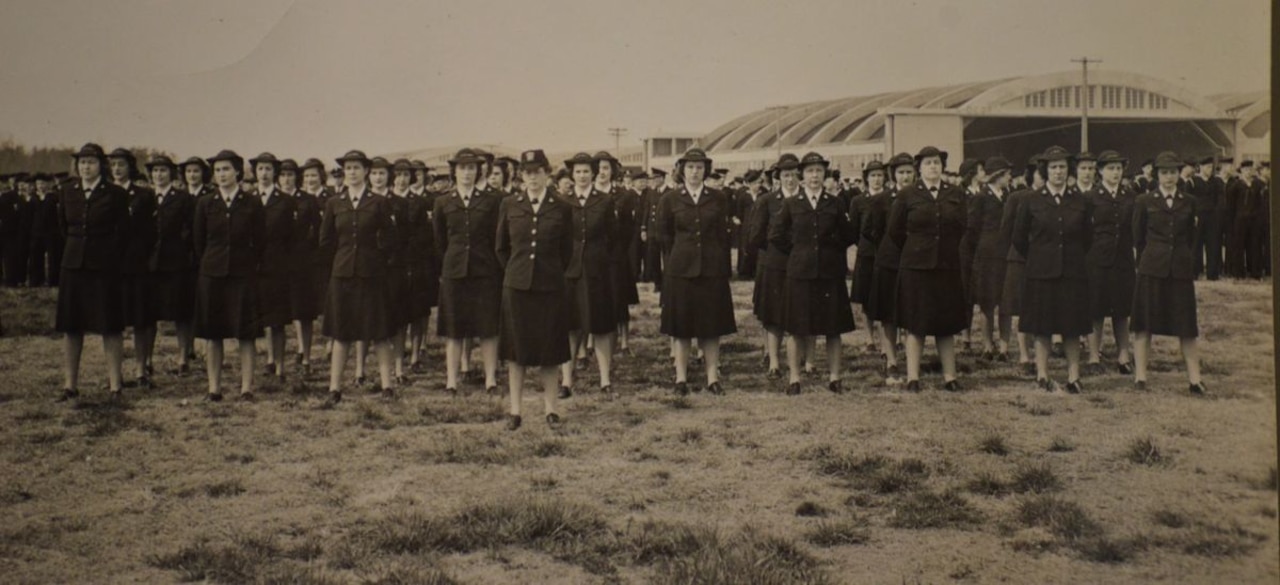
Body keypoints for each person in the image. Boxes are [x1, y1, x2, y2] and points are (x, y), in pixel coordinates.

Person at [496, 149, 573, 430]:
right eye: (527, 172)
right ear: (521, 175)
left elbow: (566, 251)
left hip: (549, 287)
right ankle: (515, 410)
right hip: (516, 288)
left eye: (537, 172)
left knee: (549, 350)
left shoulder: (562, 207)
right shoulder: (509, 205)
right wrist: (519, 273)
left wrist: (546, 274)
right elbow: (501, 248)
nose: (532, 177)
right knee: (516, 351)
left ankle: (551, 409)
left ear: (547, 173)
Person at [769, 152, 858, 395]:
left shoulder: (835, 203)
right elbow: (776, 235)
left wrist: (830, 249)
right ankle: (794, 379)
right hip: (800, 273)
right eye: (809, 171)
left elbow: (849, 234)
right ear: (802, 175)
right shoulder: (791, 204)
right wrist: (799, 251)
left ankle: (835, 377)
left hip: (829, 273)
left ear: (824, 174)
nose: (814, 176)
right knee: (796, 327)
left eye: (819, 171)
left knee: (832, 328)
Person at [320, 150, 398, 405]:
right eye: (347, 168)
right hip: (342, 275)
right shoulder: (334, 202)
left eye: (356, 167)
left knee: (379, 332)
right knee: (341, 333)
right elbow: (326, 241)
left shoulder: (378, 202)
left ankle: (387, 386)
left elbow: (389, 240)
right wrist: (340, 264)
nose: (351, 172)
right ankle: (334, 388)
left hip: (371, 275)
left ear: (366, 171)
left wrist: (376, 262)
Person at [656, 148, 736, 395]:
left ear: (706, 170)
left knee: (711, 326)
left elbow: (722, 236)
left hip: (711, 270)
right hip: (680, 271)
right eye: (690, 167)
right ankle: (681, 378)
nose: (694, 172)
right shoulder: (669, 199)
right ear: (682, 170)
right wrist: (677, 261)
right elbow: (664, 236)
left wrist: (719, 264)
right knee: (681, 328)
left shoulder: (718, 198)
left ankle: (712, 378)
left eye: (700, 167)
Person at [1012, 146, 1092, 393]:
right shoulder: (1031, 200)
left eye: (1062, 167)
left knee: (1072, 327)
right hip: (1041, 273)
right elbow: (1019, 239)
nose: (1058, 172)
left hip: (1072, 273)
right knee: (1042, 327)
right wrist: (1041, 257)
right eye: (1054, 167)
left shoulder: (1079, 201)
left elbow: (1087, 238)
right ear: (1045, 171)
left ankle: (1073, 376)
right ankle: (1042, 374)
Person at [888, 147, 968, 392]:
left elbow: (962, 226)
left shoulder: (955, 194)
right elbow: (896, 231)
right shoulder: (907, 195)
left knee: (946, 324)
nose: (933, 167)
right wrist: (919, 249)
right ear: (919, 168)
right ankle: (913, 377)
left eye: (937, 163)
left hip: (946, 266)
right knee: (916, 323)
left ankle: (949, 376)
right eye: (928, 163)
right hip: (917, 267)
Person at [55, 144, 130, 402]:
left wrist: (108, 257)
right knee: (71, 325)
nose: (86, 167)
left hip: (104, 267)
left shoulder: (116, 194)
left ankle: (115, 385)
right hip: (73, 265)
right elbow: (64, 228)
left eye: (91, 162)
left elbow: (124, 232)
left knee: (110, 325)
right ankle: (70, 384)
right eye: (82, 162)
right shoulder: (67, 192)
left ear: (101, 165)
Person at [193, 150, 266, 401]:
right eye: (217, 170)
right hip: (212, 276)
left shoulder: (251, 202)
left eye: (226, 169)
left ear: (237, 171)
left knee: (246, 333)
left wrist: (245, 265)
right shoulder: (205, 203)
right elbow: (199, 242)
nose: (221, 174)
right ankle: (214, 388)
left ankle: (247, 388)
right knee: (213, 334)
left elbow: (260, 241)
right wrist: (212, 264)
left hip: (243, 275)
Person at [1131, 151, 1206, 394]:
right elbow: (1138, 237)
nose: (1169, 177)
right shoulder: (1144, 201)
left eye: (1173, 172)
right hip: (1152, 268)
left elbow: (1194, 237)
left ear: (1179, 174)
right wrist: (1153, 257)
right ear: (1156, 175)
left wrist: (1185, 260)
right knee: (1143, 324)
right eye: (1164, 172)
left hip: (1180, 271)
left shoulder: (1190, 201)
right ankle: (1140, 377)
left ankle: (1195, 380)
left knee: (1186, 326)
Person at [434, 148, 504, 395]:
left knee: (488, 328)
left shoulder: (491, 201)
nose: (467, 173)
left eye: (472, 168)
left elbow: (497, 237)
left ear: (478, 171)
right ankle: (451, 380)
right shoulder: (443, 202)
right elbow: (440, 241)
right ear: (454, 171)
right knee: (454, 329)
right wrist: (450, 264)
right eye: (462, 168)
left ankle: (490, 380)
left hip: (485, 271)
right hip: (454, 272)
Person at [557, 152, 618, 398]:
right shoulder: (562, 201)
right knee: (570, 327)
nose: (582, 176)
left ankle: (605, 380)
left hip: (597, 271)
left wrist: (601, 262)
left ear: (594, 173)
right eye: (578, 172)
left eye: (586, 171)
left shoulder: (604, 201)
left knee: (601, 326)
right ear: (572, 175)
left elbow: (613, 238)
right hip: (570, 272)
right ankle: (566, 381)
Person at [107, 148, 161, 389]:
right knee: (113, 320)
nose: (116, 169)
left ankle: (141, 369)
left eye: (121, 164)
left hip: (137, 263)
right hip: (111, 265)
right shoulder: (104, 194)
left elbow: (151, 231)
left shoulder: (144, 195)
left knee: (141, 318)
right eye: (113, 165)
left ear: (130, 167)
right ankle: (115, 374)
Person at [1084, 151, 1137, 374]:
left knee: (1121, 309)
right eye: (1110, 168)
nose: (1115, 173)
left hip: (1123, 259)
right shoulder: (1091, 197)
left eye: (1118, 168)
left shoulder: (1130, 195)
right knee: (1096, 308)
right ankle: (1094, 356)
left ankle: (1123, 355)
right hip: (1097, 259)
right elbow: (1084, 229)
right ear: (1101, 171)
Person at [145, 155, 198, 376]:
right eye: (155, 171)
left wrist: (180, 247)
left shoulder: (183, 198)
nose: (159, 175)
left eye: (163, 171)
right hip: (149, 263)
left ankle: (183, 357)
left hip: (176, 262)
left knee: (181, 312)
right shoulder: (145, 197)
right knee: (148, 313)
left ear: (171, 174)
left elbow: (191, 228)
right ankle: (146, 359)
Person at [749, 154, 800, 379]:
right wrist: (776, 251)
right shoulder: (767, 201)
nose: (790, 180)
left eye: (794, 175)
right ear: (778, 177)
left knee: (800, 314)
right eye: (786, 175)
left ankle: (803, 362)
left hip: (800, 264)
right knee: (773, 315)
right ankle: (774, 362)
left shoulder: (805, 200)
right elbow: (756, 236)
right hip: (775, 263)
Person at [866, 152, 915, 384]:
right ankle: (892, 360)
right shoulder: (881, 200)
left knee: (910, 312)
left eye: (909, 172)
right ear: (893, 175)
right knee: (888, 314)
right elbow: (871, 231)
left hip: (914, 262)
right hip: (889, 261)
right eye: (901, 172)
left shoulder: (919, 197)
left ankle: (912, 360)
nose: (905, 176)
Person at [248, 153, 296, 383]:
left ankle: (280, 367)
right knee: (262, 317)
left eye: (268, 169)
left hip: (278, 266)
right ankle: (268, 359)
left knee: (278, 320)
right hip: (254, 266)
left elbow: (291, 237)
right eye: (260, 169)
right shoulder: (247, 199)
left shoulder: (285, 201)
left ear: (274, 172)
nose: (264, 173)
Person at [965, 156, 1013, 360]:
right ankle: (987, 346)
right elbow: (972, 229)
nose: (1011, 177)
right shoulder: (981, 198)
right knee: (987, 303)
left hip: (1006, 257)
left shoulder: (1010, 196)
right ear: (998, 176)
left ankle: (1004, 347)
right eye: (1008, 174)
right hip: (986, 257)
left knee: (1006, 303)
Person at [999, 156, 1043, 373]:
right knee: (1022, 308)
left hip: (1045, 260)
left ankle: (1042, 355)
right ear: (1031, 174)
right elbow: (1007, 231)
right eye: (1039, 172)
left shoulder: (1054, 198)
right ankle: (1025, 356)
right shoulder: (1017, 198)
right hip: (1020, 259)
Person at [596, 152, 641, 356]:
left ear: (612, 171)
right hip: (594, 255)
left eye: (605, 168)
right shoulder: (587, 194)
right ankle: (591, 342)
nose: (601, 172)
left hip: (616, 253)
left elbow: (630, 227)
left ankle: (623, 341)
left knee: (619, 298)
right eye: (597, 167)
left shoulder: (624, 195)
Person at [293, 159, 327, 374]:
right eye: (306, 176)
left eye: (314, 175)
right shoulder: (298, 199)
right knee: (302, 305)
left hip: (322, 256)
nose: (310, 180)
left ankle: (330, 341)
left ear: (321, 177)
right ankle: (301, 346)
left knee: (323, 303)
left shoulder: (329, 197)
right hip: (303, 258)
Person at [849, 160, 885, 353]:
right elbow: (853, 230)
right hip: (867, 254)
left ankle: (889, 339)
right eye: (873, 175)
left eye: (880, 175)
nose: (877, 179)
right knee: (866, 298)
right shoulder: (858, 201)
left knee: (886, 298)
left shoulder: (891, 198)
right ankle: (869, 339)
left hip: (887, 255)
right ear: (866, 178)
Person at [1, 174, 29, 287]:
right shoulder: (7, 196)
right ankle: (7, 280)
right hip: (6, 231)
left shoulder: (16, 196)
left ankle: (13, 280)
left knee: (12, 257)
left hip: (15, 231)